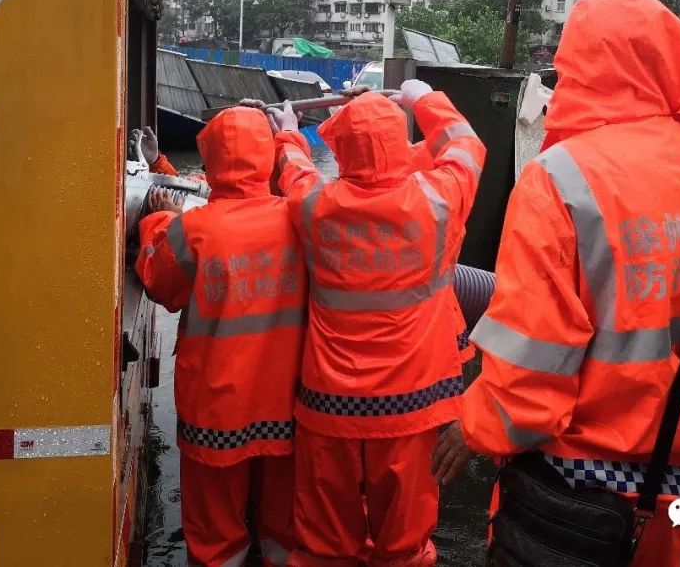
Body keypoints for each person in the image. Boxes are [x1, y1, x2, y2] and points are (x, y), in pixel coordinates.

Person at [431, 0, 680, 566]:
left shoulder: (559, 178)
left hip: (573, 493)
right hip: (678, 488)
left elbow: (531, 370)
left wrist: (475, 425)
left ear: (580, 67)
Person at [270, 81, 486, 567]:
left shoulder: (315, 207)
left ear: (341, 149)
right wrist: (421, 96)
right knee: (403, 542)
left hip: (331, 405)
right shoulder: (438, 202)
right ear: (398, 141)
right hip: (414, 403)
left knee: (326, 543)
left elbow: (294, 171)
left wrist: (287, 133)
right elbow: (466, 145)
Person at [136, 107, 307, 567]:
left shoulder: (193, 229)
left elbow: (159, 282)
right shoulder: (299, 218)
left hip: (216, 412)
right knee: (283, 531)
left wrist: (157, 222)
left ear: (209, 159)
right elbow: (236, 195)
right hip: (287, 410)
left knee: (216, 537)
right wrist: (162, 168)